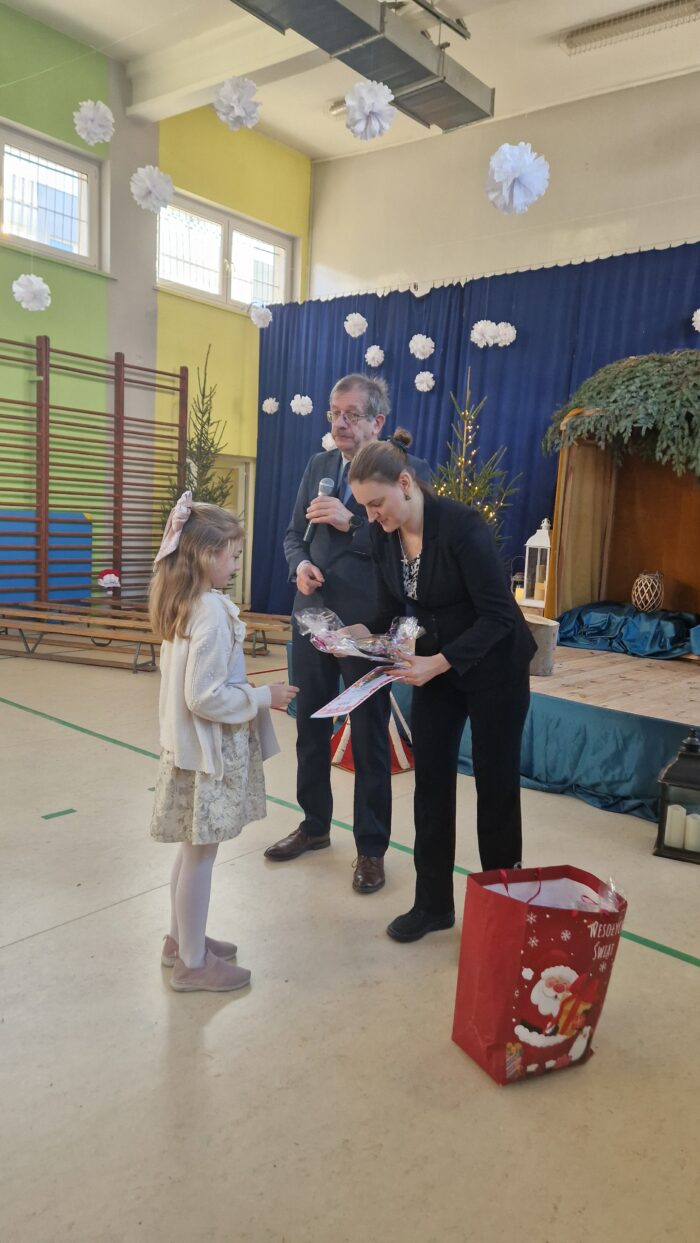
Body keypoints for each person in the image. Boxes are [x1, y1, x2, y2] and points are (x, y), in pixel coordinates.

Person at [348, 430, 536, 942]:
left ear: (405, 483)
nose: (372, 516)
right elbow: (389, 614)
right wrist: (351, 636)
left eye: (377, 503)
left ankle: (503, 914)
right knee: (430, 784)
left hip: (494, 665)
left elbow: (498, 616)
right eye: (364, 507)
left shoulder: (461, 526)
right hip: (436, 665)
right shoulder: (382, 535)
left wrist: (439, 662)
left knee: (496, 789)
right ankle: (433, 905)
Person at [264, 374, 429, 893]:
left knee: (369, 736)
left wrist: (350, 523)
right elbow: (294, 535)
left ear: (378, 420)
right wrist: (299, 567)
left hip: (368, 625)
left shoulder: (405, 471)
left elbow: (409, 541)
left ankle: (371, 849)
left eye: (352, 414)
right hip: (312, 616)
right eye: (334, 413)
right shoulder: (319, 465)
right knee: (310, 726)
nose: (340, 423)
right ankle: (314, 825)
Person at [149, 492, 298, 992]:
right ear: (206, 555)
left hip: (187, 750)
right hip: (206, 754)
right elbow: (204, 696)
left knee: (191, 851)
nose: (236, 565)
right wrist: (263, 696)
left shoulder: (183, 600)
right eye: (232, 555)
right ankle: (193, 963)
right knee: (201, 856)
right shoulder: (211, 610)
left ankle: (180, 940)